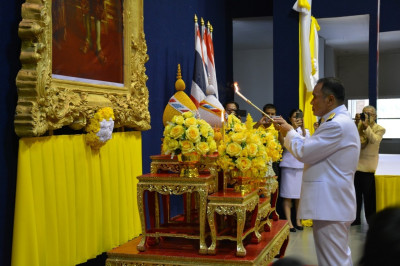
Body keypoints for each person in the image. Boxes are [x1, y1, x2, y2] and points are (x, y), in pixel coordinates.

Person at [273, 77, 360, 266]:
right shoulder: (334, 121)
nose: (311, 102)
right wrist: (290, 132)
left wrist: (288, 131)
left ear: (330, 100)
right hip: (331, 203)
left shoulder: (336, 124)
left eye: (315, 97)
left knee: (333, 261)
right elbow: (311, 147)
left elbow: (304, 152)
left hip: (331, 203)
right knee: (334, 258)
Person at [352, 106, 385, 225]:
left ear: (375, 116)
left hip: (369, 168)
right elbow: (353, 140)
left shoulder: (380, 129)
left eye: (370, 113)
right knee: (355, 195)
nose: (367, 115)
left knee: (369, 197)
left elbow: (374, 140)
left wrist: (366, 127)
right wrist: (356, 123)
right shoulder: (359, 126)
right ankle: (355, 219)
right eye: (364, 113)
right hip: (356, 166)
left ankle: (371, 221)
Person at [279, 109, 309, 232]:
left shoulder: (306, 132)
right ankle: (289, 222)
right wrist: (287, 130)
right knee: (288, 196)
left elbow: (306, 146)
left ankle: (298, 220)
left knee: (299, 196)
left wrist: (301, 129)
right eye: (295, 117)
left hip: (302, 166)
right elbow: (283, 144)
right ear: (290, 118)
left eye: (300, 116)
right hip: (288, 166)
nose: (298, 119)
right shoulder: (284, 130)